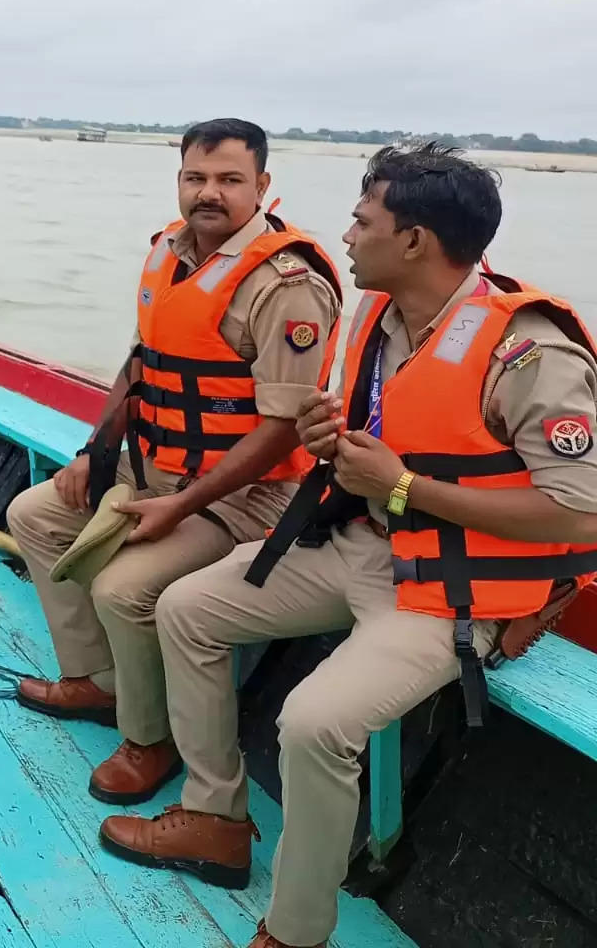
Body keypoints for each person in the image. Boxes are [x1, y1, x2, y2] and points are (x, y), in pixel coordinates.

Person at [100, 143, 597, 948]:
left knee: (312, 722)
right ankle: (214, 817)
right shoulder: (378, 315)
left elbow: (585, 515)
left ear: (415, 242)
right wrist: (334, 437)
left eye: (364, 221)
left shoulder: (528, 353)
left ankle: (295, 930)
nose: (348, 233)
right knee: (185, 607)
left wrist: (404, 487)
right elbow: (397, 440)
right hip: (361, 544)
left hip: (452, 589)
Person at [4, 118, 342, 805]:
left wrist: (181, 506)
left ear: (263, 187)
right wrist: (94, 455)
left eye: (228, 180)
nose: (208, 193)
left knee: (123, 590)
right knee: (34, 514)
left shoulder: (287, 285)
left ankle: (148, 740)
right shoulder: (168, 250)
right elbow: (143, 363)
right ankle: (96, 680)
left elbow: (282, 433)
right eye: (196, 178)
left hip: (245, 494)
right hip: (155, 464)